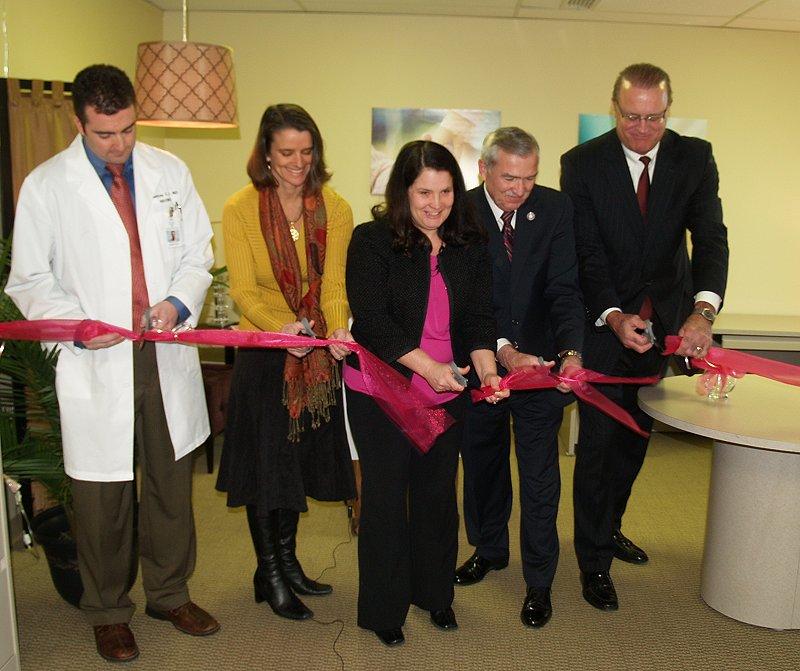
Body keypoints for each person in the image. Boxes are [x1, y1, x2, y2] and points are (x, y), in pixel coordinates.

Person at [6, 64, 219, 663]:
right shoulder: (47, 186)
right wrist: (77, 324)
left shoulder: (168, 171)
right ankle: (106, 610)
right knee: (101, 493)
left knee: (170, 481)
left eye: (127, 129)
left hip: (163, 351)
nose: (120, 145)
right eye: (105, 134)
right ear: (80, 124)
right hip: (95, 356)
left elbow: (197, 252)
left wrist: (178, 301)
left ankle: (170, 593)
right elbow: (29, 280)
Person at [560, 63, 728, 611]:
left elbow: (710, 238)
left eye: (653, 117)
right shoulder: (582, 165)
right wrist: (612, 315)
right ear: (615, 109)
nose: (642, 128)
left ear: (667, 110)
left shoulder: (693, 158)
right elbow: (584, 252)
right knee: (599, 448)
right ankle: (592, 561)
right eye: (631, 117)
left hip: (667, 330)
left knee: (636, 443)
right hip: (607, 329)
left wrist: (703, 311)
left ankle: (609, 528)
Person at [344, 140, 508, 647]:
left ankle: (435, 596)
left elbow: (479, 320)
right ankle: (384, 609)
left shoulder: (468, 244)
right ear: (402, 192)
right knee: (387, 501)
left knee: (438, 500)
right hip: (382, 391)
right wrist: (428, 368)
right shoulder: (372, 240)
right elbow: (371, 323)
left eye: (444, 192)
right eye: (423, 193)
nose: (435, 204)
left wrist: (485, 368)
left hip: (446, 391)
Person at [215, 104, 356, 622]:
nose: (299, 163)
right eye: (287, 153)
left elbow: (336, 283)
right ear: (266, 155)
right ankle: (269, 571)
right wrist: (283, 331)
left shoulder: (335, 208)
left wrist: (336, 326)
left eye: (306, 152)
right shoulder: (240, 207)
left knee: (295, 465)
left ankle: (287, 563)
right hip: (264, 358)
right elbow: (244, 290)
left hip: (315, 361)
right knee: (266, 467)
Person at [455, 127, 584, 628]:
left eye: (529, 179)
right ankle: (489, 549)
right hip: (481, 362)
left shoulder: (554, 209)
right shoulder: (459, 211)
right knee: (483, 465)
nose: (520, 189)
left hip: (541, 369)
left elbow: (565, 287)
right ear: (484, 169)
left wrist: (571, 350)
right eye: (509, 178)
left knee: (539, 476)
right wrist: (503, 351)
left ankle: (540, 580)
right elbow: (465, 298)